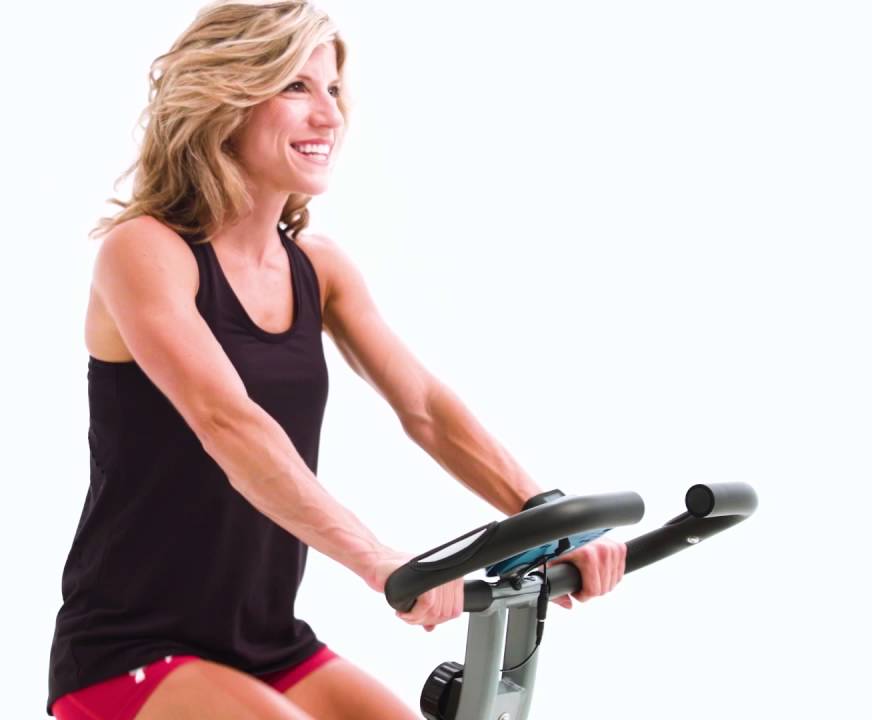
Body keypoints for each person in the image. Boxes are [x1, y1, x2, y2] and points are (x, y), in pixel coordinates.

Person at [46, 2, 627, 718]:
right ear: (226, 98)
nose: (328, 115)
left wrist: (550, 517)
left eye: (333, 89)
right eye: (296, 86)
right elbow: (228, 423)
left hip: (267, 642)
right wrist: (375, 558)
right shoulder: (145, 251)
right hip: (129, 650)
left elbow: (426, 408)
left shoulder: (318, 269)